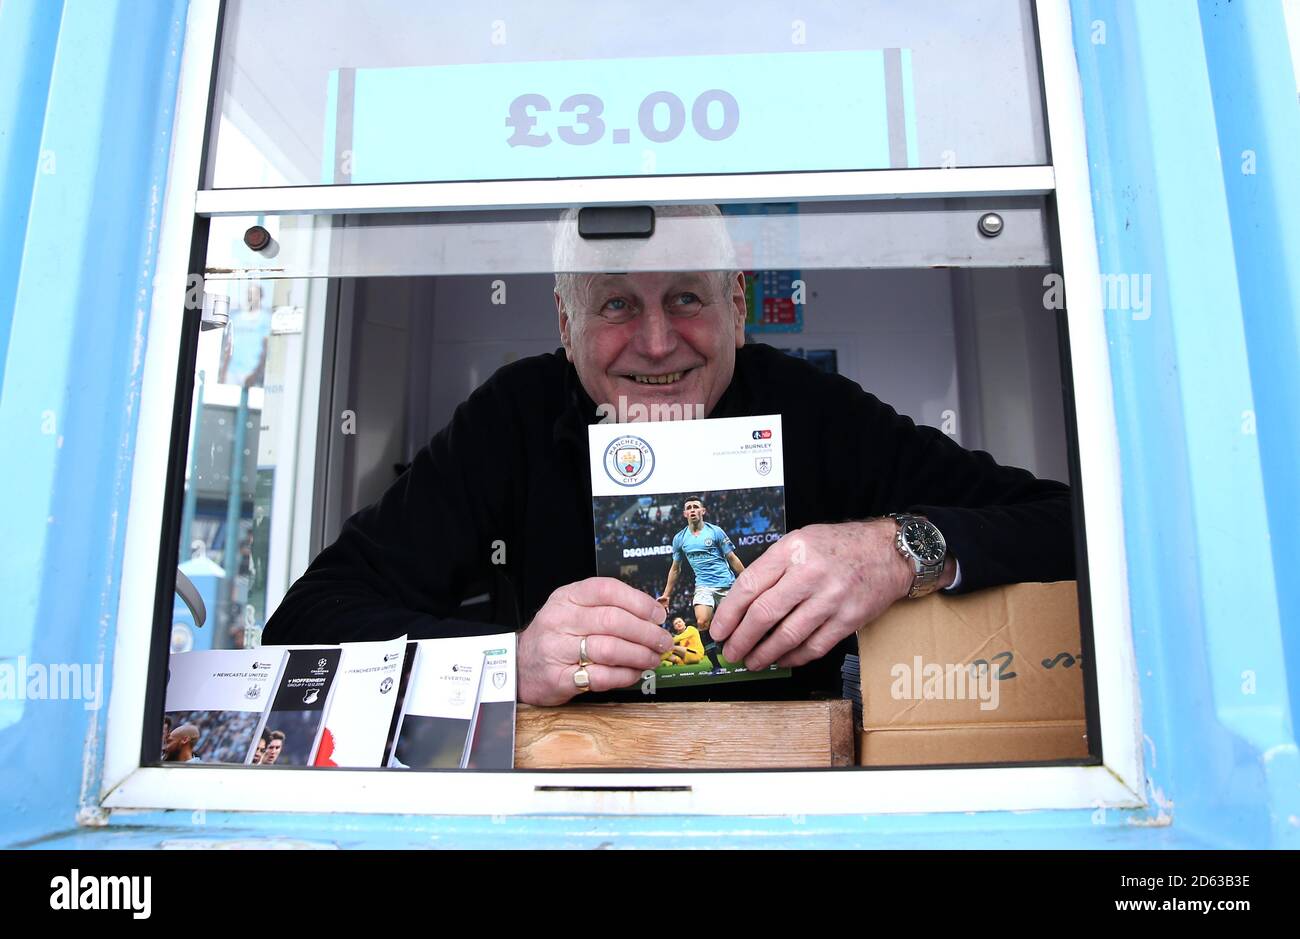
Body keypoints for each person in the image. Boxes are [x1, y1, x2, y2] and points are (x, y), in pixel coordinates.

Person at [263, 204, 1074, 707]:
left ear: (737, 305)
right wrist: (505, 664)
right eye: (616, 302)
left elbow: (1066, 524)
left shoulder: (813, 409)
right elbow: (303, 624)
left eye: (686, 295)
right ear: (563, 321)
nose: (656, 342)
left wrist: (901, 548)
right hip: (566, 815)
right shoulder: (511, 418)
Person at [658, 497, 742, 673]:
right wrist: (667, 594)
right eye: (689, 507)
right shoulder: (680, 539)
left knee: (734, 623)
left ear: (703, 511)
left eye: (696, 507)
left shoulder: (715, 531)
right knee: (702, 621)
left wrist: (747, 578)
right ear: (685, 514)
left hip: (726, 584)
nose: (693, 510)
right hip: (703, 586)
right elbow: (675, 569)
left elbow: (732, 558)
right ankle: (716, 666)